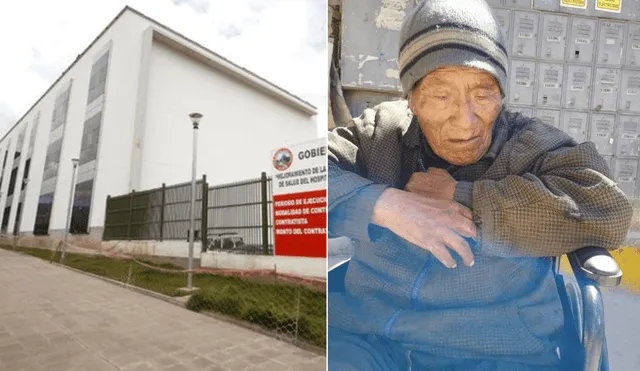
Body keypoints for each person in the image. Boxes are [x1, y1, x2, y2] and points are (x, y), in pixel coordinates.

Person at [327, 0, 633, 370]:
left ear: (501, 94)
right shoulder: (380, 134)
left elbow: (608, 210)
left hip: (495, 351)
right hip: (370, 341)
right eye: (441, 96)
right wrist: (388, 206)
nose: (466, 122)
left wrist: (464, 198)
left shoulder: (533, 145)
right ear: (411, 98)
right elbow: (292, 179)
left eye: (483, 95)